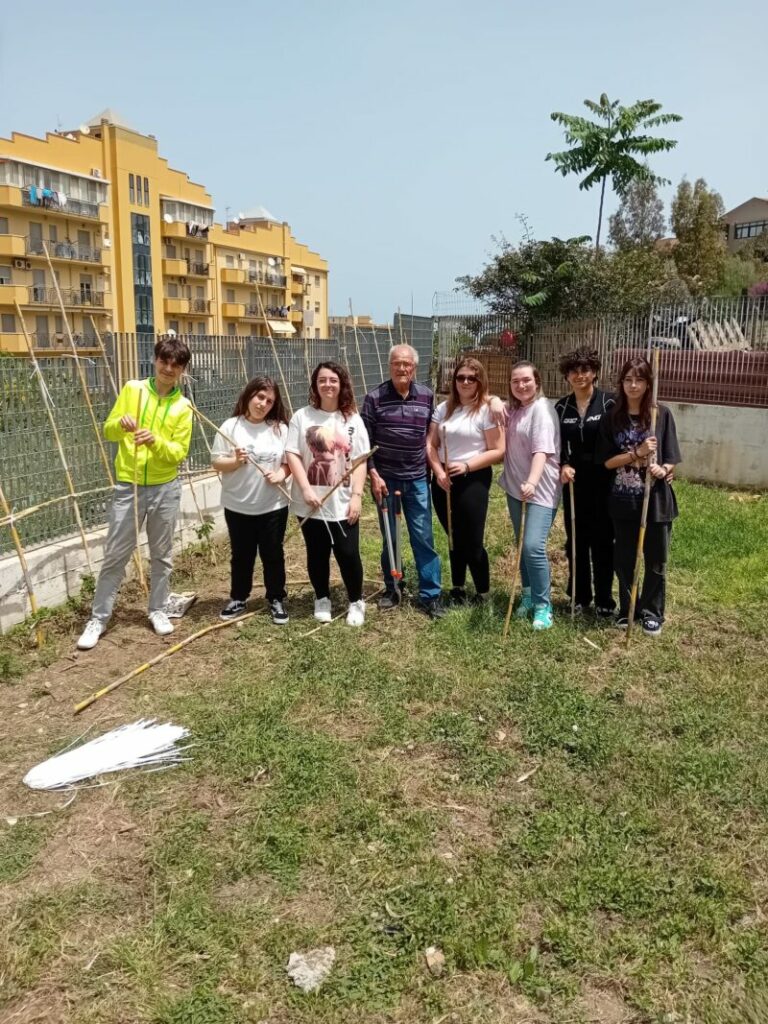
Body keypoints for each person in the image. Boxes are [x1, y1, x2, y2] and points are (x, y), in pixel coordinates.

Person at [77, 336, 193, 650]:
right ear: (155, 360)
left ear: (182, 369)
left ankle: (157, 609)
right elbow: (109, 429)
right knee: (116, 554)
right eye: (164, 361)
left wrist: (154, 441)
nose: (168, 368)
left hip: (165, 488)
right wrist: (121, 423)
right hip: (129, 487)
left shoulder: (183, 407)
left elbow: (178, 453)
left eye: (175, 364)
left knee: (162, 556)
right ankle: (99, 618)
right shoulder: (133, 390)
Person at [596, 356, 681, 637]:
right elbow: (607, 462)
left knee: (656, 558)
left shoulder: (661, 414)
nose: (633, 385)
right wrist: (637, 454)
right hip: (623, 499)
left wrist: (662, 468)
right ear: (621, 383)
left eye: (640, 379)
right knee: (625, 558)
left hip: (656, 501)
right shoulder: (612, 418)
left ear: (648, 384)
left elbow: (671, 458)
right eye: (628, 379)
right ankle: (627, 609)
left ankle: (652, 612)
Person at [361, 344, 444, 618]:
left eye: (407, 364)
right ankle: (393, 587)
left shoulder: (427, 396)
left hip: (418, 479)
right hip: (386, 481)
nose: (402, 368)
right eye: (397, 363)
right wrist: (373, 474)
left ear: (414, 367)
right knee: (391, 538)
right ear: (390, 366)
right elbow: (365, 443)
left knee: (423, 537)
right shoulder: (374, 398)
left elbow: (431, 437)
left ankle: (430, 594)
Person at [286, 362, 370, 627]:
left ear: (341, 384)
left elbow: (360, 460)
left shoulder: (352, 419)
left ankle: (356, 601)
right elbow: (293, 454)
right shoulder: (302, 417)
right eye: (322, 380)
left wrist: (356, 495)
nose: (328, 385)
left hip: (341, 501)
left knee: (347, 553)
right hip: (310, 501)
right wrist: (306, 489)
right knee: (317, 552)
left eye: (333, 380)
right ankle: (322, 598)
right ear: (315, 385)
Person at [211, 376, 291, 626]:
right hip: (238, 505)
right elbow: (216, 462)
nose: (263, 403)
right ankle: (238, 597)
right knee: (241, 554)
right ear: (249, 395)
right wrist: (235, 461)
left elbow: (290, 462)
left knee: (273, 553)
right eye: (260, 397)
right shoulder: (231, 427)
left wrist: (280, 474)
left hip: (273, 505)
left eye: (269, 401)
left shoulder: (280, 428)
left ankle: (276, 597)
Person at [426, 357, 505, 605]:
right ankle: (458, 588)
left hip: (473, 478)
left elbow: (498, 450)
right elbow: (431, 444)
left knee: (472, 540)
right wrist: (438, 472)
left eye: (472, 377)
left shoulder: (487, 409)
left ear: (480, 380)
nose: (466, 382)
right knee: (453, 536)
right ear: (454, 380)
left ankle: (483, 593)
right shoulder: (443, 409)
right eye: (461, 377)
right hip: (443, 478)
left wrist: (468, 465)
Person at [498, 361, 561, 631]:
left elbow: (542, 452)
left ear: (537, 381)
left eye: (526, 380)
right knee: (523, 545)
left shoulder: (542, 411)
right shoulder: (516, 409)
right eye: (515, 381)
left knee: (534, 546)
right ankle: (527, 594)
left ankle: (543, 605)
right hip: (515, 489)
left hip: (539, 490)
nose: (521, 385)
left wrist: (532, 482)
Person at [554, 347, 616, 617]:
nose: (579, 375)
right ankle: (579, 596)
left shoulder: (610, 404)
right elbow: (557, 445)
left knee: (603, 540)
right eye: (573, 371)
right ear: (567, 375)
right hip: (574, 483)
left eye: (585, 370)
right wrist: (564, 465)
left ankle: (604, 598)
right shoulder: (561, 407)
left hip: (605, 481)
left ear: (594, 373)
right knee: (576, 540)